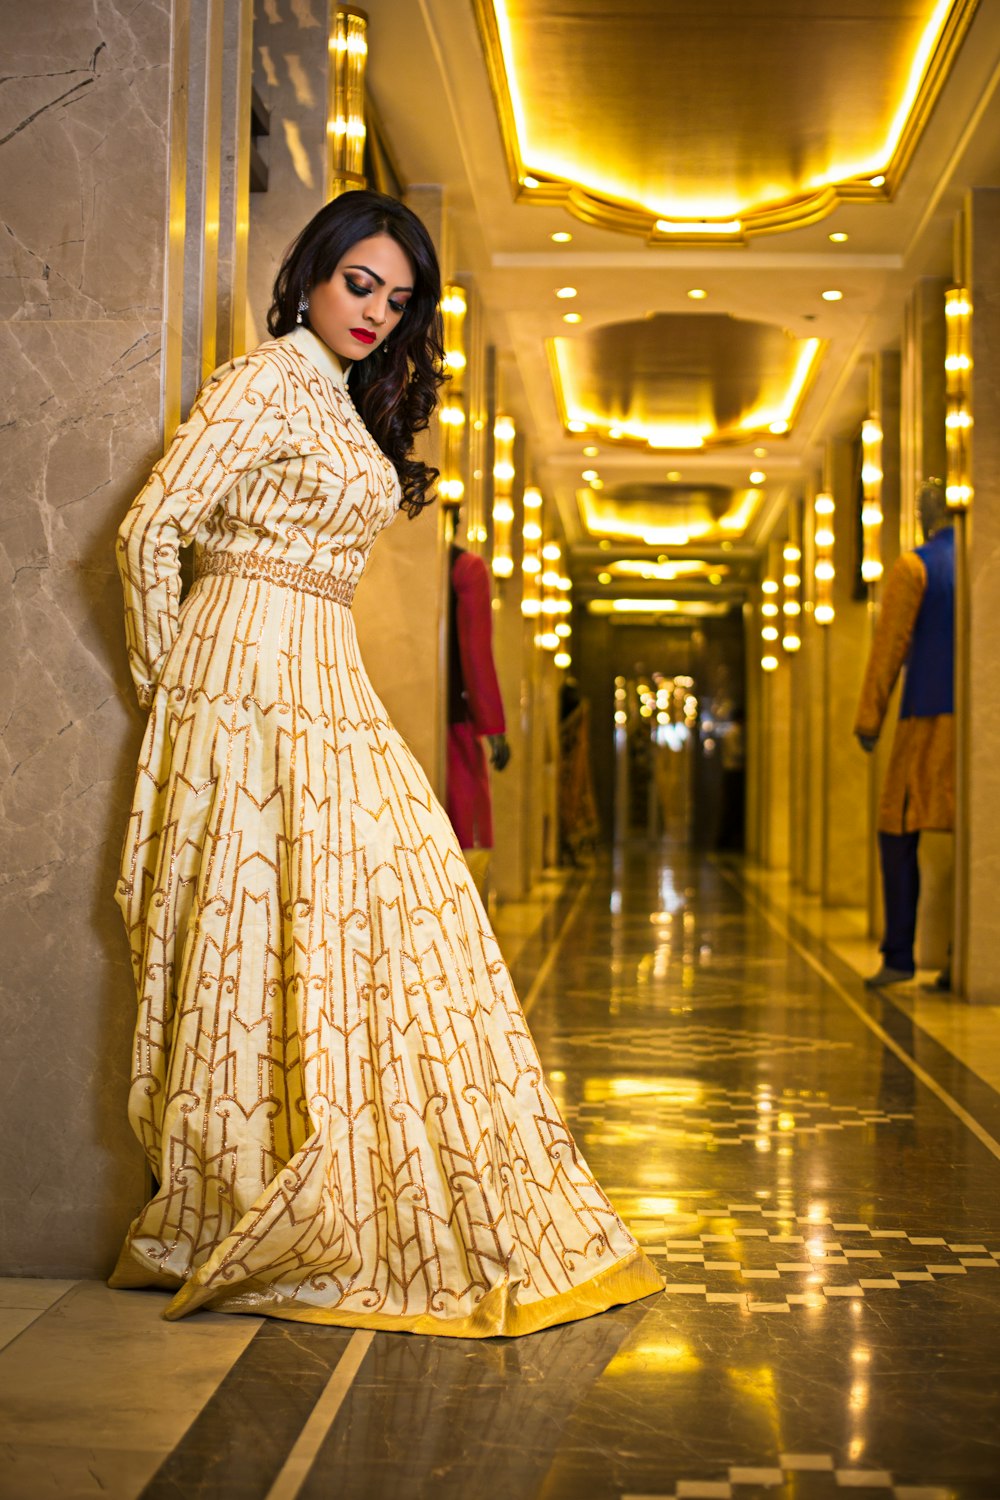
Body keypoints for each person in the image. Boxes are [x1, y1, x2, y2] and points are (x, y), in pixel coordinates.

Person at [110, 190, 661, 1335]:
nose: (374, 311)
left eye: (396, 300)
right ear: (313, 273)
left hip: (322, 665)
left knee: (392, 903)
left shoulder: (349, 405)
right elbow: (148, 528)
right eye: (359, 283)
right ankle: (235, 1188)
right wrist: (176, 691)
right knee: (259, 923)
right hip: (242, 665)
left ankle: (366, 1173)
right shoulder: (263, 377)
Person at [854, 477, 954, 988]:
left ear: (925, 514)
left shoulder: (915, 566)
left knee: (897, 828)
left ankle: (899, 954)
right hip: (981, 724)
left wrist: (869, 719)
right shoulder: (984, 563)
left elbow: (889, 646)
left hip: (928, 717)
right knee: (973, 834)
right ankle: (967, 953)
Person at [446, 541, 510, 897]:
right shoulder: (466, 568)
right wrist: (493, 727)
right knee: (468, 837)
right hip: (455, 728)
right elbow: (476, 652)